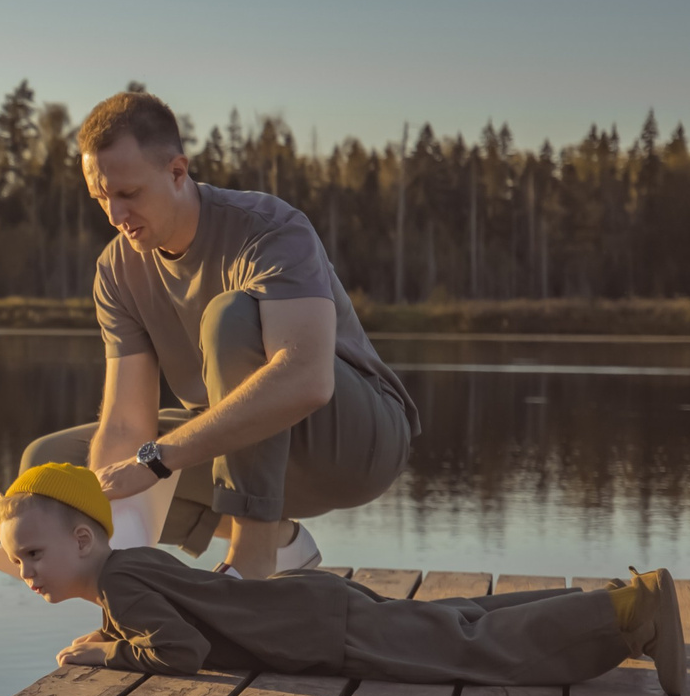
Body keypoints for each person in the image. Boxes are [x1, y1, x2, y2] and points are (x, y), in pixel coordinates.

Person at [22, 88, 418, 579]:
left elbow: (306, 380)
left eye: (127, 194)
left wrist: (158, 459)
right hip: (242, 455)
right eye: (101, 197)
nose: (115, 216)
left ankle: (249, 566)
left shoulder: (268, 229)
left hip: (353, 444)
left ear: (177, 172)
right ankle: (279, 543)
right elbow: (127, 427)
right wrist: (109, 591)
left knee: (230, 315)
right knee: (52, 473)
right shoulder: (117, 271)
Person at [0, 463, 686, 693]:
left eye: (32, 554)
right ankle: (610, 603)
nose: (24, 573)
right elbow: (173, 616)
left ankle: (634, 612)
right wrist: (109, 633)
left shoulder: (124, 585)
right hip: (311, 607)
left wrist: (107, 652)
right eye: (18, 560)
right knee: (462, 620)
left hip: (319, 629)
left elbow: (181, 651)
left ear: (84, 538)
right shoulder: (127, 572)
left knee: (476, 648)